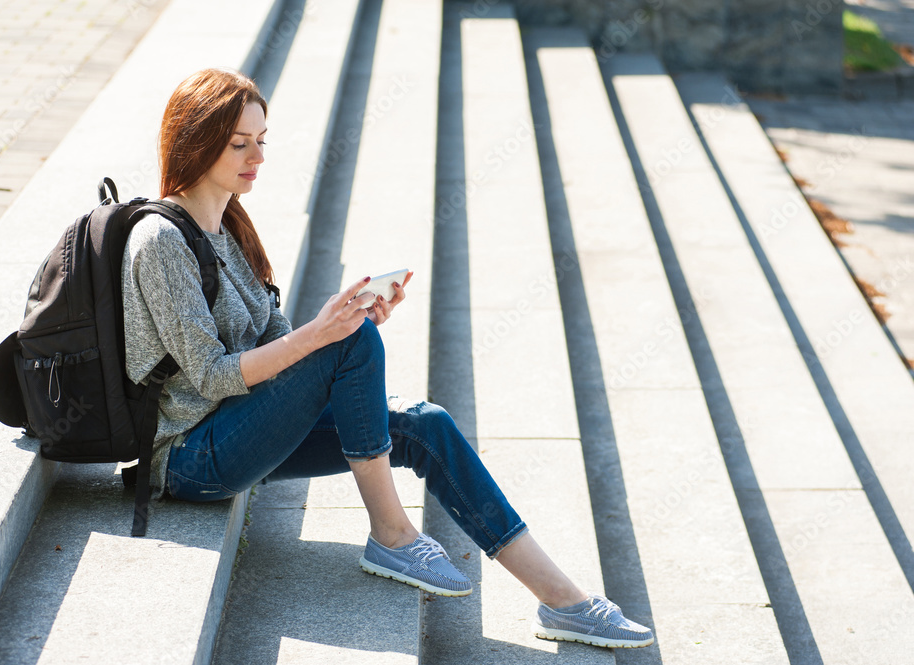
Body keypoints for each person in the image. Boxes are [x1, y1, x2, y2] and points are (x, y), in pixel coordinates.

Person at [121, 67, 654, 650]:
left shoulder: (227, 226)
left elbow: (273, 339)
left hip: (240, 425)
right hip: (190, 457)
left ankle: (564, 602)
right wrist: (327, 337)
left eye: (262, 140)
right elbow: (213, 375)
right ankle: (392, 533)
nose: (258, 157)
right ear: (196, 142)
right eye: (240, 144)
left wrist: (344, 320)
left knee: (423, 423)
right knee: (345, 343)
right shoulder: (161, 242)